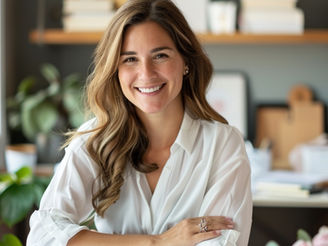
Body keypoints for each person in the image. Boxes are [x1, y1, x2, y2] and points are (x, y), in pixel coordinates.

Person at [27, 0, 252, 245]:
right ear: (115, 70)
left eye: (160, 56)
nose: (146, 74)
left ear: (185, 62)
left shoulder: (222, 144)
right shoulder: (93, 142)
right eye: (130, 59)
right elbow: (42, 237)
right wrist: (158, 242)